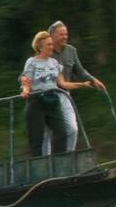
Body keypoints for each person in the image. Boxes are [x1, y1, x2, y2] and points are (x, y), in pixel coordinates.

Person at [20, 30, 92, 156]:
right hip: (36, 101)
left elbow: (63, 84)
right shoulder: (32, 62)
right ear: (40, 47)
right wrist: (25, 90)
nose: (51, 47)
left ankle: (59, 164)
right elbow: (26, 80)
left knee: (62, 133)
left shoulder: (54, 63)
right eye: (48, 45)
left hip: (52, 101)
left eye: (52, 44)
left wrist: (82, 84)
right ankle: (39, 169)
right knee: (37, 138)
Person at [44, 20, 106, 154]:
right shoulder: (46, 51)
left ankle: (69, 157)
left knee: (72, 128)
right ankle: (45, 162)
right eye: (61, 34)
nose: (65, 37)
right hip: (46, 95)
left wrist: (93, 80)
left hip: (64, 94)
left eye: (66, 34)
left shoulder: (71, 51)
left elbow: (80, 71)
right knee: (47, 132)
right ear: (53, 36)